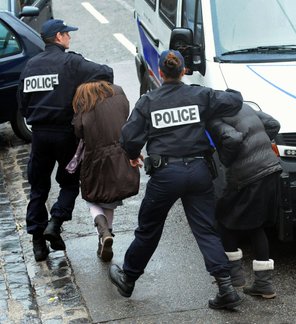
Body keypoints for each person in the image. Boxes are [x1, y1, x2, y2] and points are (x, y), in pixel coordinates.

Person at [108, 50, 243, 310]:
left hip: (166, 175)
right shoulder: (199, 95)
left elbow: (129, 137)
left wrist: (134, 155)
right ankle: (225, 287)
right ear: (184, 71)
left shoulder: (148, 101)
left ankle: (128, 278)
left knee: (149, 229)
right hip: (199, 171)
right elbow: (234, 101)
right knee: (205, 229)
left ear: (160, 72)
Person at [17, 19, 114, 262]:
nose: (70, 38)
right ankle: (56, 222)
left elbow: (22, 103)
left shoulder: (30, 65)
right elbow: (106, 72)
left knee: (38, 188)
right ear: (59, 37)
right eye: (67, 34)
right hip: (66, 135)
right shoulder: (71, 62)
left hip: (39, 135)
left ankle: (38, 243)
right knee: (70, 183)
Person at [207, 104, 282, 299]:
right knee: (256, 226)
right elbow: (273, 124)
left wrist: (228, 160)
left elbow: (231, 139)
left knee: (224, 219)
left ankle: (235, 276)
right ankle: (263, 284)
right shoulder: (243, 107)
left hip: (249, 175)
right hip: (271, 168)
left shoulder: (214, 116)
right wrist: (260, 144)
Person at [72, 80, 139, 262]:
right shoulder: (118, 92)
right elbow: (126, 115)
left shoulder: (84, 98)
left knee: (91, 197)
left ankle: (103, 232)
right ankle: (105, 237)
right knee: (110, 200)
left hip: (95, 157)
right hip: (119, 154)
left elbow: (78, 130)